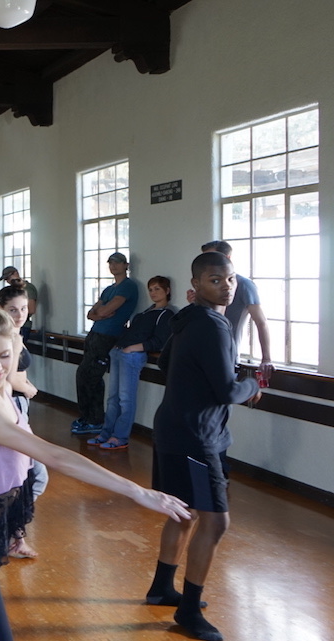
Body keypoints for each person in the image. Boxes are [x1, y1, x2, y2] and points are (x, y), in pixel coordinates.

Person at [0, 293, 191, 641]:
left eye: (4, 356)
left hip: (0, 516)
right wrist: (136, 491)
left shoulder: (3, 386)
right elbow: (56, 456)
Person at [144, 253, 260, 641]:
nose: (226, 286)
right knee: (215, 520)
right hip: (196, 437)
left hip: (175, 427)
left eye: (230, 279)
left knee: (182, 513)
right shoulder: (213, 324)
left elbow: (166, 366)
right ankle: (188, 612)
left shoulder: (189, 317)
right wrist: (253, 384)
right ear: (198, 283)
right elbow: (228, 390)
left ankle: (162, 588)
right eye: (215, 280)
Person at [87, 276, 174, 450]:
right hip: (119, 351)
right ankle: (106, 433)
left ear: (167, 291)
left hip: (132, 356)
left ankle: (120, 437)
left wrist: (133, 348)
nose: (153, 293)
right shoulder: (144, 313)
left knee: (126, 399)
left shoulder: (167, 314)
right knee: (113, 398)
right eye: (151, 289)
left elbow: (160, 341)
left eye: (157, 289)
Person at [0, 284, 47, 560]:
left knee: (26, 477)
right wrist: (28, 389)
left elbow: (20, 372)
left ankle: (13, 533)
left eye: (23, 309)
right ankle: (8, 529)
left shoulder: (16, 334)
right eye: (13, 309)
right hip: (11, 406)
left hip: (19, 408)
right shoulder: (5, 337)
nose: (19, 314)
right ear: (1, 309)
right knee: (34, 475)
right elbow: (9, 377)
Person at [71, 252, 139, 435]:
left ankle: (94, 420)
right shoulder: (108, 289)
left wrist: (100, 312)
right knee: (87, 376)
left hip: (108, 337)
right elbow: (91, 314)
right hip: (94, 334)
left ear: (126, 265)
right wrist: (99, 313)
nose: (113, 266)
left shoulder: (128, 286)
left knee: (88, 375)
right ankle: (90, 417)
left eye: (117, 263)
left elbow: (103, 311)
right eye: (111, 263)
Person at [191, 241, 273, 385]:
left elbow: (261, 322)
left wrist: (266, 358)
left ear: (227, 258)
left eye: (212, 257)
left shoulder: (244, 285)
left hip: (226, 354)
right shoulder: (204, 284)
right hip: (201, 352)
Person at [0, 266, 38, 342]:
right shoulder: (9, 290)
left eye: (9, 278)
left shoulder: (28, 288)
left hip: (23, 326)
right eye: (6, 279)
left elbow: (32, 309)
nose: (8, 281)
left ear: (16, 273)